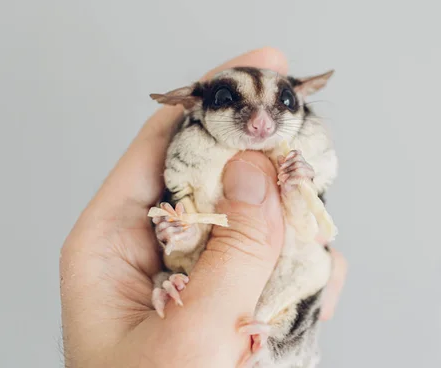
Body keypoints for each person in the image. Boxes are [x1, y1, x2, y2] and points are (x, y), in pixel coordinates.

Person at [59, 47, 347, 368]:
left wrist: (299, 184)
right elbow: (186, 245)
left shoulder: (305, 149)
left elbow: (307, 226)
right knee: (172, 272)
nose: (261, 123)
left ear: (302, 102)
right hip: (201, 298)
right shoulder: (193, 155)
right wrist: (178, 232)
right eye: (227, 100)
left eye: (285, 103)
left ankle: (276, 345)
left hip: (282, 298)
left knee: (312, 268)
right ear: (194, 104)